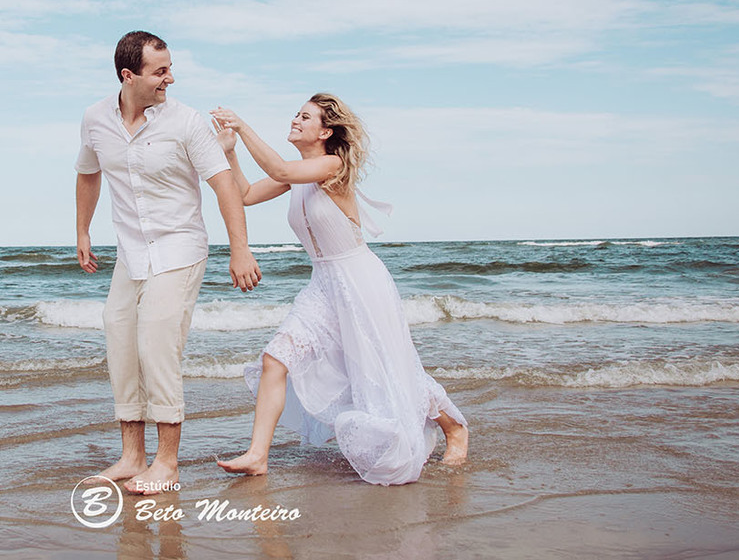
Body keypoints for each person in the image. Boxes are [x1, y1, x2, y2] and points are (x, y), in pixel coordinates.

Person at [210, 93, 468, 485]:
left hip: (361, 282)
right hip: (322, 285)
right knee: (276, 358)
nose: (295, 120)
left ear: (326, 131)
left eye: (305, 116)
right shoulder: (296, 174)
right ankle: (258, 455)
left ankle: (454, 427)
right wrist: (230, 152)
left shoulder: (331, 165)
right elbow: (244, 195)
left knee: (386, 371)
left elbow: (277, 166)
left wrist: (243, 126)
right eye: (296, 114)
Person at [75, 31, 262, 496]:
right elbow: (87, 172)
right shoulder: (96, 118)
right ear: (128, 75)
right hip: (130, 252)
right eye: (160, 71)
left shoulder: (185, 121)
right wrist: (82, 230)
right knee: (120, 339)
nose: (170, 78)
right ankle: (132, 456)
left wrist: (240, 249)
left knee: (157, 342)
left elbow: (222, 185)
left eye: (169, 68)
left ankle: (167, 463)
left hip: (179, 247)